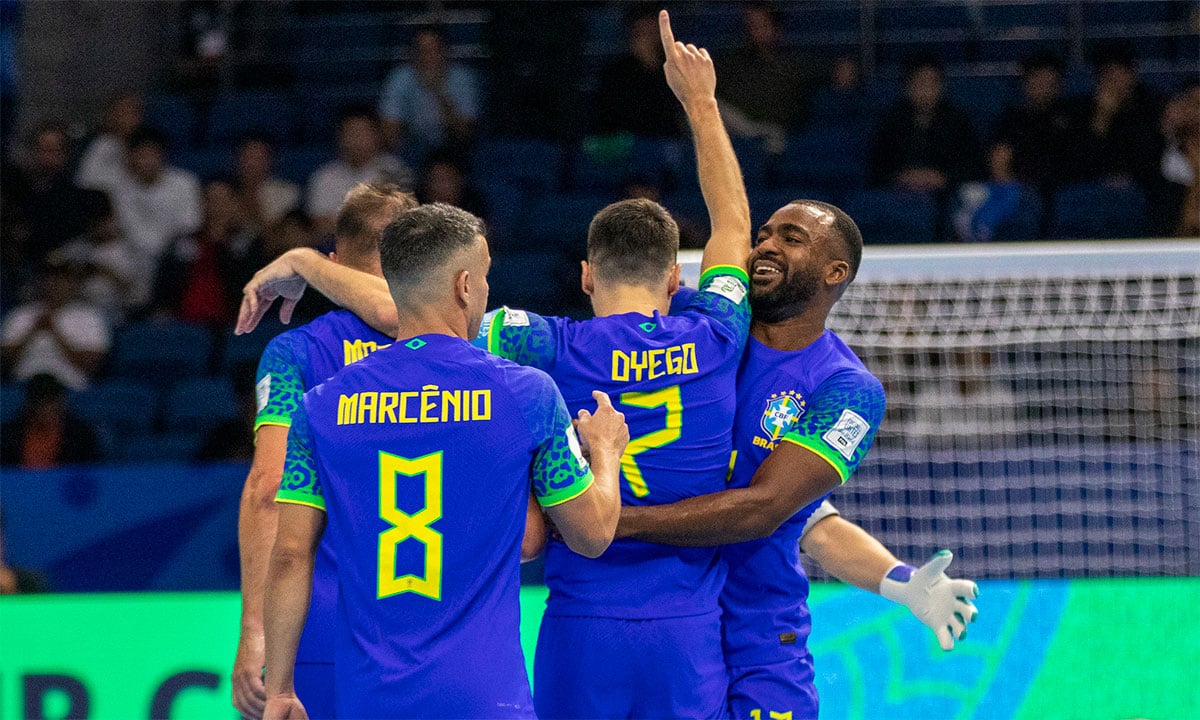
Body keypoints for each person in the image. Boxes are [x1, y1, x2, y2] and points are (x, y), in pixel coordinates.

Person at [478, 13, 751, 717]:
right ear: (672, 280)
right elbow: (732, 227)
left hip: (581, 622)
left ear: (585, 276)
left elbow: (418, 312)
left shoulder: (540, 344)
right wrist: (700, 101)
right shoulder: (718, 332)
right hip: (688, 633)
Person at [260, 203, 626, 720]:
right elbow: (592, 535)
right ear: (464, 286)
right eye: (486, 278)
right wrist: (606, 453)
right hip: (487, 699)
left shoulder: (320, 407)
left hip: (369, 701)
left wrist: (278, 689)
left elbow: (291, 556)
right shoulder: (526, 394)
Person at [616, 196, 976, 718]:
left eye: (791, 238)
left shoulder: (845, 388)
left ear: (836, 272)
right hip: (650, 614)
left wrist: (609, 523)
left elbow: (781, 512)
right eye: (763, 234)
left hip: (757, 635)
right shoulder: (694, 322)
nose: (765, 244)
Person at [231, 184, 416, 720]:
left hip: (325, 618)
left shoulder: (295, 352)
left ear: (334, 267)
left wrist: (256, 632)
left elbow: (270, 491)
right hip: (440, 616)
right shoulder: (466, 347)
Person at [149, 178, 260, 326]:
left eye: (223, 200)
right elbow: (164, 284)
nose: (217, 207)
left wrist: (221, 245)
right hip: (183, 325)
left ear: (235, 204)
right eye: (211, 200)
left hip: (231, 325)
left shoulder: (249, 245)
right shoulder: (182, 243)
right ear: (202, 204)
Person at [868, 54, 984, 195]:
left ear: (941, 87)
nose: (926, 91)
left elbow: (973, 166)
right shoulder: (891, 121)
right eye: (920, 84)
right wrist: (903, 177)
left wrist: (943, 178)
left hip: (946, 196)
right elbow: (878, 167)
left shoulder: (958, 121)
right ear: (907, 87)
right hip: (899, 195)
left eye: (932, 84)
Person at [716, 2, 820, 152]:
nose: (756, 31)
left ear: (775, 27)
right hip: (741, 128)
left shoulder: (793, 64)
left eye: (762, 25)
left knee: (774, 140)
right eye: (752, 26)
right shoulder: (734, 63)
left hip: (774, 131)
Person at [96, 126, 203, 269]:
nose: (147, 162)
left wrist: (165, 249)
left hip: (178, 254)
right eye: (141, 156)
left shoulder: (185, 182)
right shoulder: (121, 190)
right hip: (137, 255)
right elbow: (132, 231)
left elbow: (190, 223)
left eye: (152, 155)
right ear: (131, 157)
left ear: (163, 155)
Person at [1, 260, 110, 391]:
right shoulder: (21, 314)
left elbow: (90, 366)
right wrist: (32, 332)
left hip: (68, 386)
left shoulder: (89, 317)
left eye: (62, 279)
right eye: (50, 278)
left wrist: (55, 332)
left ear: (74, 284)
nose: (55, 284)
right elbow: (5, 362)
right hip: (24, 386)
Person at [307, 106, 413, 236]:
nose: (357, 140)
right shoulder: (324, 177)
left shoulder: (395, 171)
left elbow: (399, 219)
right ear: (340, 137)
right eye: (351, 133)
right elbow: (319, 224)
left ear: (377, 136)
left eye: (363, 133)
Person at [378, 25, 479, 156]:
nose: (426, 57)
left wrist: (438, 92)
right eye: (421, 50)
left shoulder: (463, 78)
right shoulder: (400, 76)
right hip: (412, 149)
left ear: (446, 52)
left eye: (433, 50)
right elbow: (389, 133)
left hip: (455, 151)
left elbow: (465, 134)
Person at [590, 5, 681, 138]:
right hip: (625, 146)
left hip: (667, 143)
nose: (646, 37)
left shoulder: (674, 67)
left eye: (650, 32)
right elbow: (608, 117)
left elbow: (672, 111)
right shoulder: (614, 73)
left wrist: (651, 64)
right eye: (640, 32)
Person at [0, 373, 102, 469]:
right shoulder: (8, 435)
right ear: (30, 405)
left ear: (61, 402)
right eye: (41, 403)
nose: (46, 409)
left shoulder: (81, 435)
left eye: (51, 402)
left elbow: (90, 472)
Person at [76, 92, 144, 191]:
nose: (128, 118)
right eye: (123, 112)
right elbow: (86, 182)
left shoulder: (145, 146)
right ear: (111, 116)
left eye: (133, 112)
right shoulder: (99, 146)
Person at [234, 133, 301, 234]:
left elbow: (279, 233)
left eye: (259, 158)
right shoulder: (225, 191)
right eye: (249, 157)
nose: (253, 164)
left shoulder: (287, 192)